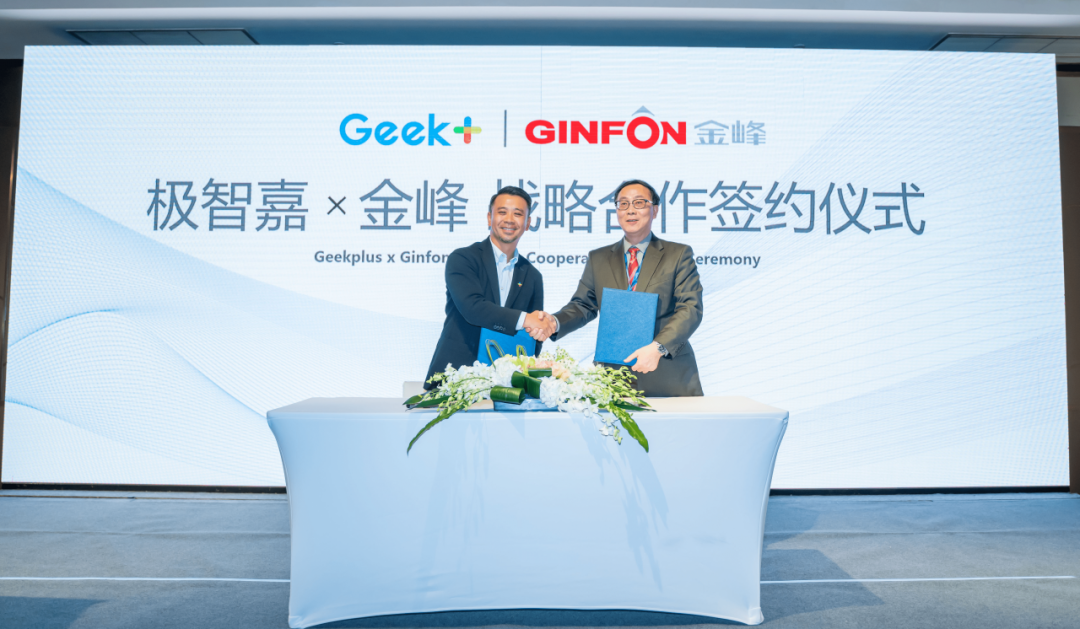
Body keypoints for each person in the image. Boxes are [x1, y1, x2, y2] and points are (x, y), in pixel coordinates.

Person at [528, 179, 704, 397]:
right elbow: (583, 306)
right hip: (613, 378)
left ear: (655, 210)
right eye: (623, 204)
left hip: (668, 374)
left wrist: (658, 347)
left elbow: (690, 308)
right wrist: (554, 322)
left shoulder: (677, 255)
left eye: (639, 203)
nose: (630, 210)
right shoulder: (599, 258)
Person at [424, 186, 549, 389]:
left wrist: (540, 330)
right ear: (489, 218)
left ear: (528, 223)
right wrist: (526, 319)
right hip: (455, 379)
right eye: (502, 212)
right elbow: (473, 308)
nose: (509, 219)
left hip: (508, 386)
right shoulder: (463, 259)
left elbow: (534, 335)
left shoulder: (532, 275)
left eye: (518, 214)